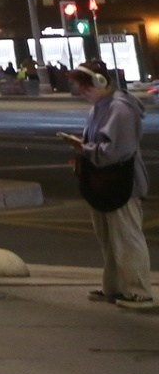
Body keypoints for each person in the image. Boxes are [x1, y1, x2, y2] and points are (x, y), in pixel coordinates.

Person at [65, 64, 153, 310]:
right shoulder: (100, 108)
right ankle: (115, 287)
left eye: (86, 86)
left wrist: (85, 150)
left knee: (126, 237)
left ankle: (138, 291)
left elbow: (117, 151)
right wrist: (83, 152)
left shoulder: (120, 109)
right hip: (104, 182)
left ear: (103, 82)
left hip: (121, 183)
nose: (83, 91)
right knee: (109, 239)